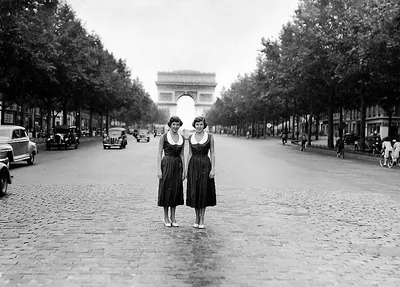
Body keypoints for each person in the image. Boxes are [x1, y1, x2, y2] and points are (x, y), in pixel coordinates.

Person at [186, 116, 216, 229]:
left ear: (204, 125)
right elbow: (189, 153)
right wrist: (186, 169)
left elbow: (212, 153)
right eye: (197, 124)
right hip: (193, 165)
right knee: (195, 191)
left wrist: (213, 169)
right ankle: (196, 217)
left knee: (203, 191)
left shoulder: (210, 137)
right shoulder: (190, 137)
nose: (199, 126)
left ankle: (202, 218)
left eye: (201, 124)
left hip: (205, 164)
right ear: (194, 125)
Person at [157, 116, 185, 227]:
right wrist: (159, 169)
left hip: (177, 165)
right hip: (167, 164)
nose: (175, 126)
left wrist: (184, 170)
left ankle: (173, 216)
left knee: (175, 190)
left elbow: (182, 154)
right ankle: (166, 216)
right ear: (170, 125)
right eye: (173, 124)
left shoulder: (182, 137)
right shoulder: (164, 137)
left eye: (177, 124)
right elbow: (159, 153)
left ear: (180, 125)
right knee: (166, 189)